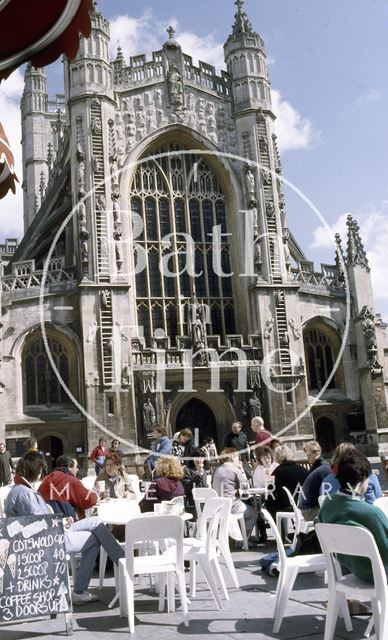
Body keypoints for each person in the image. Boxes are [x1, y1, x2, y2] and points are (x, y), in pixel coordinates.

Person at [4, 451, 125, 604]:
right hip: (50, 540)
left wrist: (60, 521)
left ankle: (122, 561)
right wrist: (59, 524)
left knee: (96, 522)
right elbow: (40, 527)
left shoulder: (20, 490)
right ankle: (85, 587)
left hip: (54, 530)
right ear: (37, 469)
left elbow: (39, 521)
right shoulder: (26, 494)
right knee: (94, 539)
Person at [318, 449, 388, 584]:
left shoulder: (327, 505)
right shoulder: (372, 514)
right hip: (379, 573)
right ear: (363, 479)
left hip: (355, 569)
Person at [213, 448, 257, 546]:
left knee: (246, 509)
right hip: (232, 506)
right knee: (253, 513)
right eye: (237, 457)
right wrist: (241, 469)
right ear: (232, 457)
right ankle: (242, 540)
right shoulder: (234, 469)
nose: (239, 459)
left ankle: (239, 536)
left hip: (218, 507)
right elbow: (246, 485)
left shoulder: (217, 470)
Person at [39, 454, 98, 519]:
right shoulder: (70, 479)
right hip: (68, 525)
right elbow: (88, 500)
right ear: (69, 466)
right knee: (96, 522)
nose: (77, 469)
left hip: (48, 524)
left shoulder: (46, 480)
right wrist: (95, 494)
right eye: (76, 466)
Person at [266, 444, 308, 523]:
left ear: (277, 457)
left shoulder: (277, 471)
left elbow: (270, 491)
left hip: (287, 505)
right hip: (303, 503)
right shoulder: (303, 469)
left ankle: (280, 532)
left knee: (269, 503)